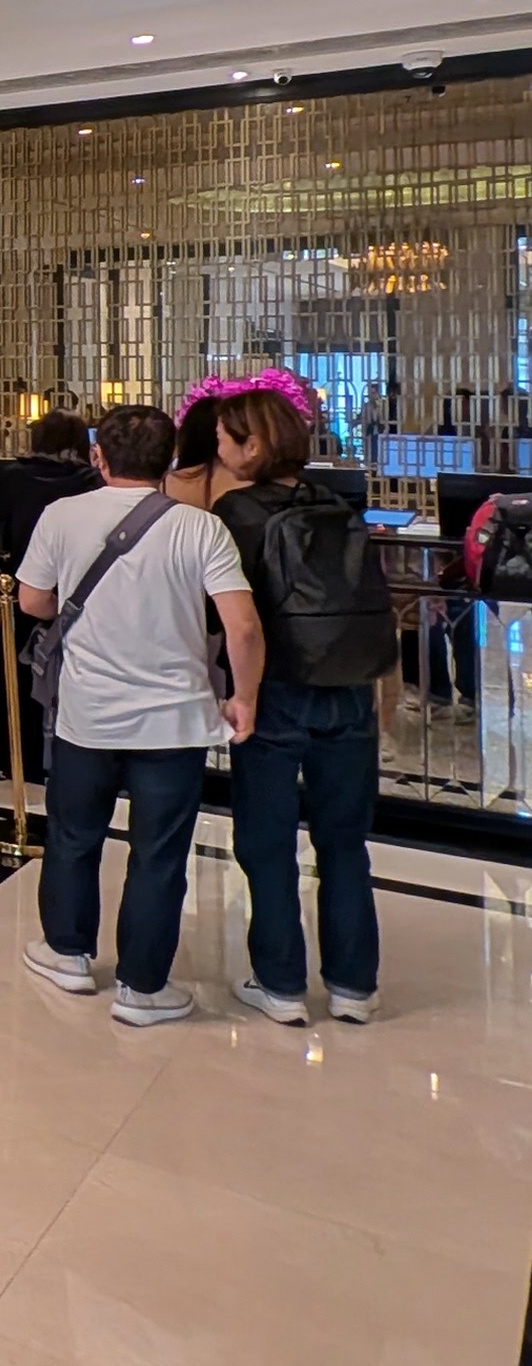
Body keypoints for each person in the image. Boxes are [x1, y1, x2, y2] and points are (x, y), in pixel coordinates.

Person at [18, 404, 262, 1026]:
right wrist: (245, 697)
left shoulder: (61, 516)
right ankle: (142, 989)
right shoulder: (201, 529)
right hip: (174, 721)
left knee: (74, 838)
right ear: (172, 458)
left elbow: (34, 602)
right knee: (159, 853)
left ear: (98, 457)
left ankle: (68, 954)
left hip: (88, 715)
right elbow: (242, 626)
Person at [211, 387, 393, 1025]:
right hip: (348, 690)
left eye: (225, 440)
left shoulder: (237, 512)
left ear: (252, 445)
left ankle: (281, 984)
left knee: (266, 842)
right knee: (345, 842)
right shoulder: (337, 500)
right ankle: (354, 987)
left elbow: (236, 619)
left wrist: (241, 695)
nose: (219, 450)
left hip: (275, 692)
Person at [0, 411, 100, 782]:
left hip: (16, 587)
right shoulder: (88, 482)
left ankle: (7, 757)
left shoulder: (11, 478)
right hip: (76, 592)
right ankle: (66, 760)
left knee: (14, 675)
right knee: (72, 675)